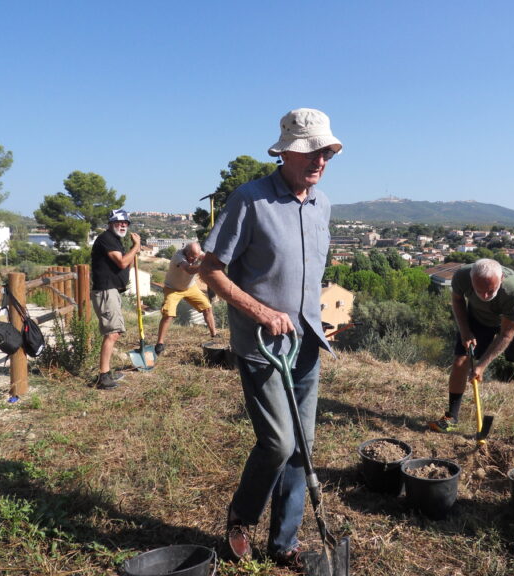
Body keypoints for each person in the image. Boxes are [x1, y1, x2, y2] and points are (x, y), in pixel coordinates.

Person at [199, 108, 341, 569]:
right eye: (309, 152)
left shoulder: (322, 205)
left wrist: (318, 318)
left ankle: (285, 542)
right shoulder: (251, 199)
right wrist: (260, 310)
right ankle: (242, 517)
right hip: (262, 344)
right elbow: (211, 270)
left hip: (306, 344)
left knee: (303, 446)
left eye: (325, 152)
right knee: (279, 442)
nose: (319, 161)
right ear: (285, 153)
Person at [428, 258, 514, 454]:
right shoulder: (462, 276)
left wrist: (481, 365)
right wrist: (465, 331)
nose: (486, 295)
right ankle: (451, 417)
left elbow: (506, 334)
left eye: (491, 290)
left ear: (501, 278)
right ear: (471, 280)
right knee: (460, 360)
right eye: (480, 291)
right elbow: (457, 300)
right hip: (479, 317)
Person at [90, 209, 141, 389]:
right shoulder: (106, 239)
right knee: (112, 333)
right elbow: (122, 262)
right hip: (105, 291)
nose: (123, 225)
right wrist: (136, 246)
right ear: (111, 224)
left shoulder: (115, 240)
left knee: (114, 332)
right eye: (119, 222)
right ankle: (103, 377)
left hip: (111, 291)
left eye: (125, 223)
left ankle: (106, 372)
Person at [154, 241, 217, 354]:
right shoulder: (178, 257)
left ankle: (215, 335)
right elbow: (188, 269)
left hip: (190, 287)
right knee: (168, 314)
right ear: (186, 252)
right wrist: (204, 266)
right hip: (172, 289)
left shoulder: (197, 254)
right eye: (191, 257)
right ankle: (160, 343)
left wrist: (212, 261)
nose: (193, 259)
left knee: (207, 307)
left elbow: (206, 258)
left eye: (196, 257)